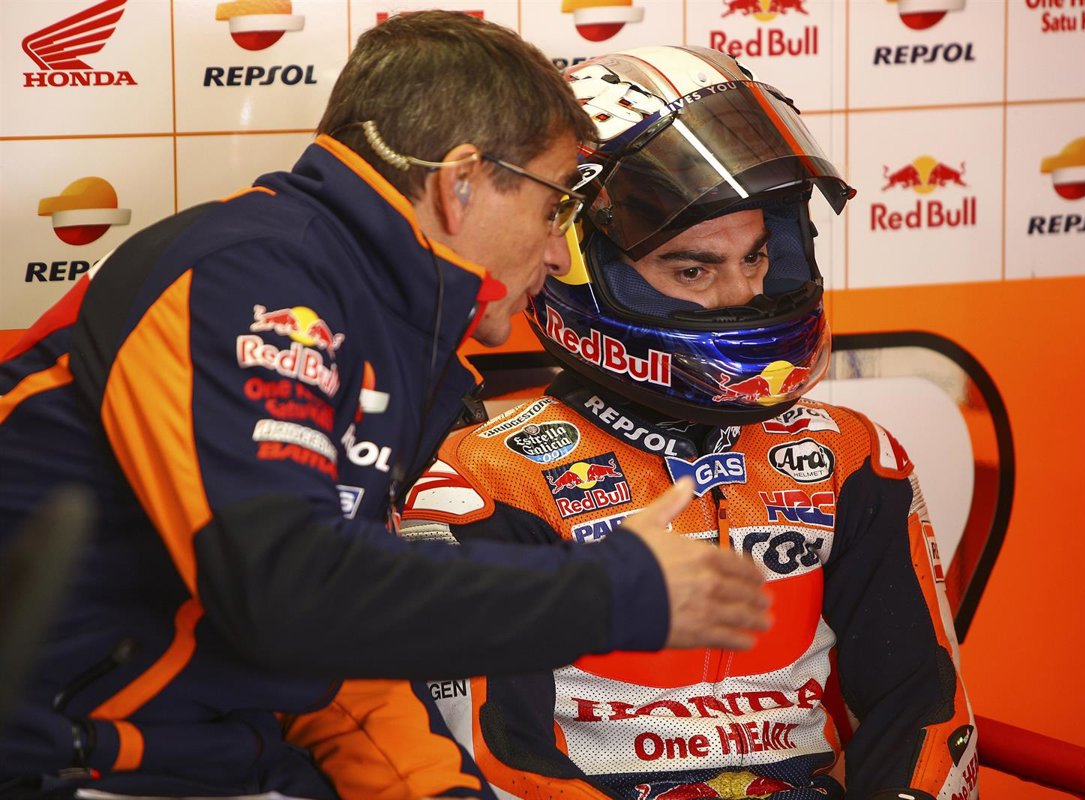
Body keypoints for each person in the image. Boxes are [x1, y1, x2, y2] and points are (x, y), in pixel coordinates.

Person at [0, 17, 770, 797]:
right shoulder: (253, 276)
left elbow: (340, 647)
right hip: (62, 763)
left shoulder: (386, 323)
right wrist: (611, 589)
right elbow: (289, 595)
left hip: (201, 756)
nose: (554, 252)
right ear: (459, 182)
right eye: (556, 208)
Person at [387, 46, 980, 800]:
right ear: (576, 267)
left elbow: (923, 714)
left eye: (758, 258)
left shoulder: (852, 456)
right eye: (693, 269)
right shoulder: (482, 482)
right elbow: (497, 765)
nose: (741, 294)